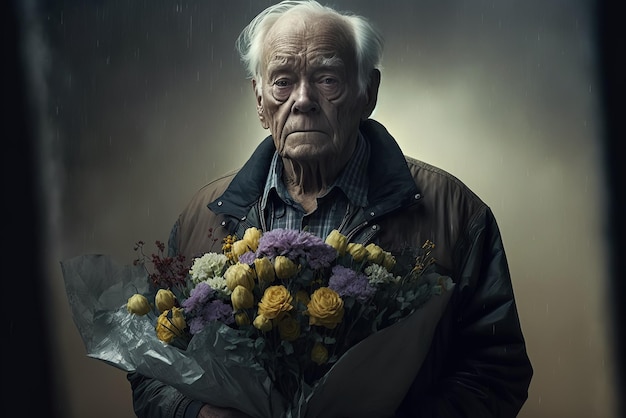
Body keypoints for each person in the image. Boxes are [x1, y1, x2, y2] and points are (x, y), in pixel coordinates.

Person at [127, 1, 533, 417]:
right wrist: (195, 414)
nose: (303, 100)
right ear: (260, 101)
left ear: (367, 93)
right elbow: (149, 369)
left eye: (327, 78)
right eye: (282, 81)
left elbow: (496, 369)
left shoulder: (454, 212)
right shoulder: (204, 217)